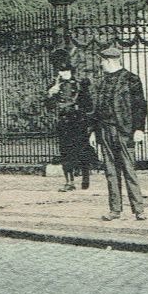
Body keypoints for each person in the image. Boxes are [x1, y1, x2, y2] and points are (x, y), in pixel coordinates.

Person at [91, 45, 148, 221]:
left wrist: (139, 129)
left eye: (102, 61)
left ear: (109, 60)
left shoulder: (131, 79)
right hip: (105, 130)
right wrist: (94, 132)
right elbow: (96, 109)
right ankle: (115, 210)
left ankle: (139, 210)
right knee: (110, 171)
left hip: (124, 131)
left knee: (129, 170)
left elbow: (140, 106)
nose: (100, 64)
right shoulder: (101, 82)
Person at [50, 49, 92, 191]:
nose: (62, 74)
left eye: (65, 71)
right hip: (64, 123)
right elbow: (49, 106)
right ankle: (69, 182)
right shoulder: (56, 86)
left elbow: (88, 105)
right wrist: (50, 94)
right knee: (65, 151)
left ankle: (86, 176)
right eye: (60, 71)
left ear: (70, 71)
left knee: (82, 151)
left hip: (79, 122)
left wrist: (88, 123)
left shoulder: (80, 84)